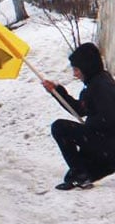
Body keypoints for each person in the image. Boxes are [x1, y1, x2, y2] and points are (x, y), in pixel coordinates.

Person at [42, 42, 115, 190]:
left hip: (108, 145)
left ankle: (81, 173)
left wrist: (89, 128)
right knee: (75, 174)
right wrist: (57, 92)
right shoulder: (96, 82)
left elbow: (109, 118)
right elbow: (80, 109)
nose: (75, 74)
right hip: (105, 146)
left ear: (86, 67)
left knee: (60, 127)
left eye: (76, 69)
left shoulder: (101, 86)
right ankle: (82, 173)